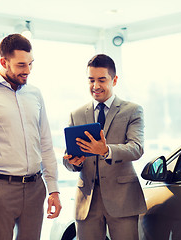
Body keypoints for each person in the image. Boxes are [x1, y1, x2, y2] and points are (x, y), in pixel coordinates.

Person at [0, 33, 61, 240]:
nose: (27, 71)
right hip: (1, 187)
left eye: (30, 64)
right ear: (4, 62)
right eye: (21, 65)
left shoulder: (35, 94)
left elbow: (45, 142)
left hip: (36, 188)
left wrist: (53, 189)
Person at [63, 54, 147, 240]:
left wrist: (105, 150)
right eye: (91, 80)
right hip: (87, 200)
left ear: (114, 80)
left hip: (122, 199)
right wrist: (73, 162)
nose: (96, 86)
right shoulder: (76, 114)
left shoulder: (132, 110)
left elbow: (136, 148)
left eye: (102, 80)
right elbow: (68, 159)